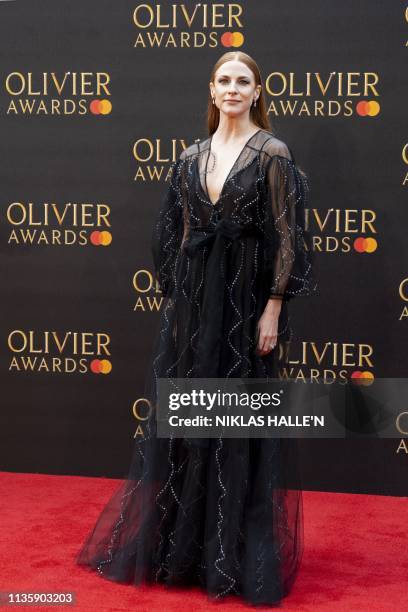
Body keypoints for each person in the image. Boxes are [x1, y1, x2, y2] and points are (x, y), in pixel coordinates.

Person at [76, 50, 316, 606]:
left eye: (243, 81)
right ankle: (184, 552)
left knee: (237, 424)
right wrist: (179, 304)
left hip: (246, 304)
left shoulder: (273, 153)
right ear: (211, 91)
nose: (233, 89)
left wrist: (274, 307)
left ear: (257, 92)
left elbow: (287, 240)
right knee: (187, 422)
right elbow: (173, 235)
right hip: (194, 306)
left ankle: (232, 557)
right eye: (224, 80)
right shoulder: (190, 157)